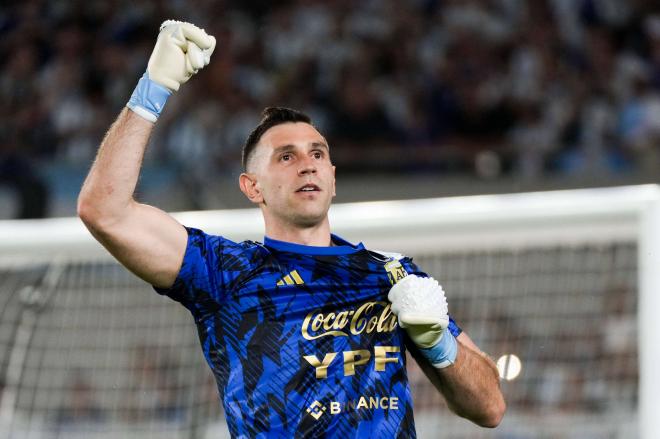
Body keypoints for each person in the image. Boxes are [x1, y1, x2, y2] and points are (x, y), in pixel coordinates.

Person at [78, 20, 505, 437]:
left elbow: (490, 408)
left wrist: (438, 344)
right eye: (285, 156)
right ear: (252, 187)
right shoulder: (224, 270)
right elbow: (105, 211)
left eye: (317, 153)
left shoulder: (394, 278)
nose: (307, 163)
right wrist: (153, 87)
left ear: (333, 178)